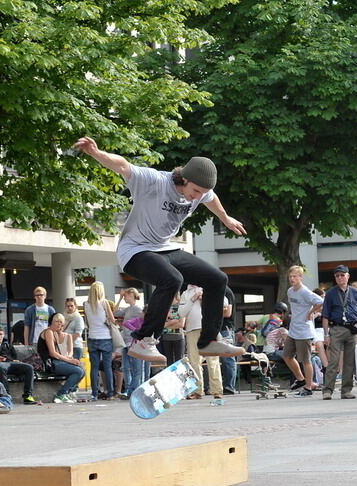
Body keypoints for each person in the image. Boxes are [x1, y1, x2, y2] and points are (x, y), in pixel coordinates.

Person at [75, 136, 245, 364]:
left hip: (165, 248)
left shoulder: (202, 193)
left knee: (217, 279)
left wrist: (224, 218)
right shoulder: (154, 181)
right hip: (135, 251)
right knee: (172, 279)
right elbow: (123, 165)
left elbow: (212, 198)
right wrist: (96, 153)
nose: (197, 197)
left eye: (201, 193)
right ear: (184, 178)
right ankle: (144, 339)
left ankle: (208, 341)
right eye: (195, 191)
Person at [321, 265, 357, 400]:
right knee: (333, 361)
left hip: (352, 330)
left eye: (342, 275)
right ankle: (328, 390)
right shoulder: (330, 293)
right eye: (337, 275)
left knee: (349, 362)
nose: (340, 277)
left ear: (348, 276)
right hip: (336, 329)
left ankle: (346, 390)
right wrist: (326, 334)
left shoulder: (355, 293)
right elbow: (325, 316)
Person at [281, 266, 323, 397]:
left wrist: (311, 312)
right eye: (290, 276)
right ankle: (300, 379)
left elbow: (320, 301)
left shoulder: (305, 292)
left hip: (304, 330)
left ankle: (308, 387)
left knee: (306, 360)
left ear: (300, 277)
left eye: (295, 276)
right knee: (287, 356)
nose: (292, 279)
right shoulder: (290, 291)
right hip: (293, 329)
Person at [181, 284, 225, 401]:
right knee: (194, 362)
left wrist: (205, 298)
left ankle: (217, 390)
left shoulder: (208, 287)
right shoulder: (185, 294)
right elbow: (181, 313)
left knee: (213, 360)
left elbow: (224, 303)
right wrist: (193, 299)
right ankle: (197, 391)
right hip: (191, 329)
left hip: (209, 328)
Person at [0, 324, 37, 404]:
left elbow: (15, 358)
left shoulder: (8, 346)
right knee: (0, 366)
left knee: (29, 367)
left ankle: (28, 396)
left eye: (1, 334)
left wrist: (15, 361)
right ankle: (6, 395)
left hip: (11, 364)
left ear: (3, 335)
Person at [38, 313, 85, 404]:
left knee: (82, 370)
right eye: (57, 321)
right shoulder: (48, 332)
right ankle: (61, 394)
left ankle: (67, 393)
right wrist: (70, 360)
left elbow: (61, 351)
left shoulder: (54, 333)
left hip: (56, 361)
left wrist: (71, 360)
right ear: (51, 322)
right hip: (49, 363)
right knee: (78, 371)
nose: (59, 324)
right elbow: (52, 353)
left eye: (61, 322)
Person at [83, 281, 116, 400]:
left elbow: (87, 322)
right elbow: (112, 320)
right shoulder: (104, 303)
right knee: (107, 367)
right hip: (105, 337)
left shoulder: (86, 304)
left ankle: (94, 393)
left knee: (94, 367)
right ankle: (110, 393)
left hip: (92, 338)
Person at [119, 289, 145, 396]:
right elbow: (114, 311)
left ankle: (133, 390)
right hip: (125, 340)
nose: (124, 297)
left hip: (132, 341)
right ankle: (130, 389)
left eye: (125, 296)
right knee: (126, 367)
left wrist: (135, 331)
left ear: (132, 295)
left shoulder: (137, 309)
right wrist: (120, 298)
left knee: (136, 368)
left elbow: (142, 321)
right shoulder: (127, 309)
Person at [219, 286, 238, 395]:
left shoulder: (225, 291)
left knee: (228, 359)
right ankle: (226, 385)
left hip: (225, 328)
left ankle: (229, 386)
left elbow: (227, 313)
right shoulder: (218, 290)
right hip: (218, 328)